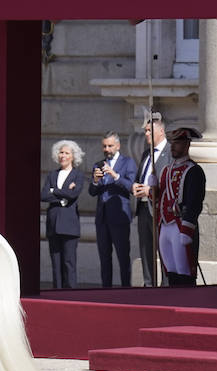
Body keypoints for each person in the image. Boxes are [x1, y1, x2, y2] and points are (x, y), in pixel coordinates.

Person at [153, 125, 205, 285]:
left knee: (184, 270)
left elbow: (194, 202)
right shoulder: (166, 171)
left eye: (178, 142)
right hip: (165, 224)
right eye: (172, 142)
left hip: (180, 224)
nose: (173, 146)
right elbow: (158, 198)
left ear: (187, 145)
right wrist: (152, 188)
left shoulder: (193, 170)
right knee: (170, 269)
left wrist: (187, 229)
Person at [88, 130, 136, 287]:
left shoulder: (127, 162)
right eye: (104, 146)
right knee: (104, 257)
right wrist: (95, 181)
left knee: (123, 256)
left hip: (119, 216)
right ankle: (106, 290)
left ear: (118, 145)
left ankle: (125, 290)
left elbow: (131, 187)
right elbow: (92, 192)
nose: (107, 149)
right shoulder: (98, 164)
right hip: (102, 218)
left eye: (110, 146)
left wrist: (115, 175)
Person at [132, 113, 168, 286]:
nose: (146, 134)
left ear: (160, 131)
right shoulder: (147, 153)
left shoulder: (169, 152)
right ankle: (148, 284)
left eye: (149, 131)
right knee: (146, 250)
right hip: (143, 209)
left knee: (164, 251)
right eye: (145, 131)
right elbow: (141, 176)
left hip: (160, 210)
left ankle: (166, 285)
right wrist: (136, 186)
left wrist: (151, 191)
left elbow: (170, 182)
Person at [42, 139, 83, 288]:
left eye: (66, 153)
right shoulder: (52, 175)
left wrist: (54, 191)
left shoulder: (77, 175)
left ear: (73, 156)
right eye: (61, 152)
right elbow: (43, 195)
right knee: (56, 263)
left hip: (69, 225)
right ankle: (56, 292)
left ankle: (70, 294)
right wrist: (62, 195)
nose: (63, 155)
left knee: (69, 263)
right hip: (53, 224)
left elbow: (74, 195)